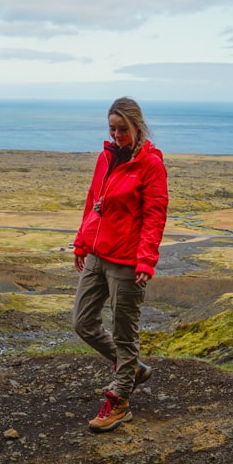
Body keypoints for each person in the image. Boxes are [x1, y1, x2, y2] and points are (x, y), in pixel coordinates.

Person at [71, 97, 169, 433]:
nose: (116, 135)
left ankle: (120, 400)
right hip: (97, 255)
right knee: (83, 323)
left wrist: (146, 260)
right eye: (112, 129)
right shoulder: (106, 157)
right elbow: (92, 201)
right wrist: (82, 242)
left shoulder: (150, 165)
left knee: (126, 336)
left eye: (122, 129)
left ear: (137, 126)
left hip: (127, 262)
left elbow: (155, 216)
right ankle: (133, 369)